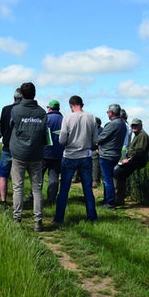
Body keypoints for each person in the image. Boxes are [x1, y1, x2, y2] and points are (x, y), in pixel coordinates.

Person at [53, 95, 98, 225]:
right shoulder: (91, 117)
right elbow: (96, 140)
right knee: (88, 190)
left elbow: (62, 140)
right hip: (85, 156)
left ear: (71, 105)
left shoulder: (67, 117)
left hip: (69, 156)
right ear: (82, 104)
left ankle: (59, 219)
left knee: (64, 190)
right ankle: (91, 217)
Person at [9, 82, 48, 232]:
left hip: (19, 153)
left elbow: (12, 126)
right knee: (37, 188)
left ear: (22, 95)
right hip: (37, 154)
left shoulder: (16, 110)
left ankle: (17, 218)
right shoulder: (42, 112)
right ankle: (38, 221)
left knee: (18, 187)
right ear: (34, 94)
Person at [113, 118, 149, 206]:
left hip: (139, 160)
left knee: (119, 172)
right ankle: (117, 197)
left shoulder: (142, 136)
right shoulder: (137, 135)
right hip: (134, 159)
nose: (134, 127)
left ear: (141, 126)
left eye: (136, 125)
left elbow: (140, 152)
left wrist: (129, 160)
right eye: (133, 125)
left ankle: (119, 199)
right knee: (117, 170)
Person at [96, 104, 127, 209]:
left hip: (107, 154)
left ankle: (109, 202)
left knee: (107, 179)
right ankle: (106, 199)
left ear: (111, 113)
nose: (107, 113)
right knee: (108, 178)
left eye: (108, 111)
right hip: (115, 154)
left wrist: (94, 140)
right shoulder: (122, 124)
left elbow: (101, 138)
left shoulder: (112, 124)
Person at [0, 88, 23, 207]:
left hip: (7, 146)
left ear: (14, 98)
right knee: (19, 177)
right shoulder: (24, 110)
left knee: (3, 175)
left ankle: (3, 200)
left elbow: (2, 126)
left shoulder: (5, 109)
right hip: (21, 147)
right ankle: (18, 201)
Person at [43, 100, 64, 205]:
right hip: (58, 153)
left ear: (49, 108)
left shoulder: (46, 118)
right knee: (54, 176)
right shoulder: (64, 120)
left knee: (38, 176)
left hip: (44, 152)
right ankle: (51, 199)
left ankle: (33, 197)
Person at [91, 118, 103, 187]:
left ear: (98, 124)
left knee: (95, 166)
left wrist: (98, 149)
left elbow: (102, 141)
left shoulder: (101, 130)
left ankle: (96, 181)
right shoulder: (92, 130)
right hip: (89, 149)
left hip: (95, 150)